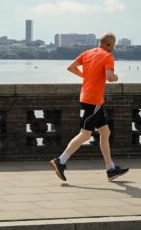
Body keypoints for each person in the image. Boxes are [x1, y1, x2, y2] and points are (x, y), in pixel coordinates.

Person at [50, 32, 129, 182]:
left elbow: (71, 67)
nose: (113, 48)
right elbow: (110, 77)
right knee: (85, 134)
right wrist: (116, 77)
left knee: (105, 132)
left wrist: (85, 77)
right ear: (108, 44)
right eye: (113, 45)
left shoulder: (87, 53)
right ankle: (60, 161)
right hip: (94, 100)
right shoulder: (107, 56)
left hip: (86, 97)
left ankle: (110, 168)